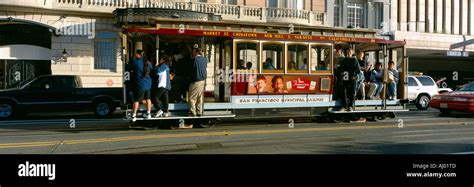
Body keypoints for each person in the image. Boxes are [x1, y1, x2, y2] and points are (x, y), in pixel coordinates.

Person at [131, 50, 153, 122]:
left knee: (136, 100)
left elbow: (129, 67)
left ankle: (134, 115)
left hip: (140, 84)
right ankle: (148, 113)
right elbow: (152, 69)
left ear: (139, 55)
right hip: (148, 84)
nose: (134, 55)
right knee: (148, 99)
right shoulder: (148, 62)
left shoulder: (135, 61)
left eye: (135, 54)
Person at [337, 47, 361, 111]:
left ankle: (350, 106)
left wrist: (355, 76)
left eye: (350, 52)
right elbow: (341, 68)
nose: (348, 53)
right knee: (344, 91)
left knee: (352, 92)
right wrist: (337, 70)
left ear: (352, 53)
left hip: (352, 79)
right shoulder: (344, 60)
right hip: (345, 78)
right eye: (348, 52)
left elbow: (358, 70)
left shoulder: (355, 60)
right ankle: (345, 106)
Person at [188, 45, 207, 117]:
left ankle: (192, 112)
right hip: (203, 81)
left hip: (196, 81)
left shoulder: (194, 60)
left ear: (196, 51)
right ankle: (199, 111)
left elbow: (191, 71)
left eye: (193, 51)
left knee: (192, 98)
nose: (192, 52)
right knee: (200, 97)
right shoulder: (205, 59)